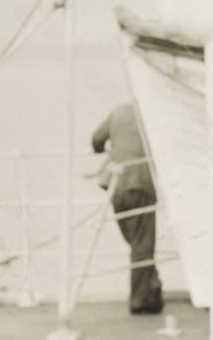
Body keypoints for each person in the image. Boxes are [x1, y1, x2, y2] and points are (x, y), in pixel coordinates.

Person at [91, 102, 163, 314]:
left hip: (117, 185)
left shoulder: (119, 111)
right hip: (140, 184)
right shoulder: (154, 111)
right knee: (142, 244)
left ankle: (151, 286)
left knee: (136, 242)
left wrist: (110, 150)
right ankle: (141, 298)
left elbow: (96, 139)